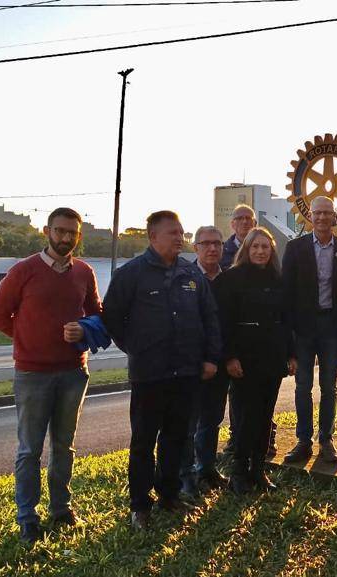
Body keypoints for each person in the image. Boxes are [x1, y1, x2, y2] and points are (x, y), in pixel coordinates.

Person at [0, 207, 102, 544]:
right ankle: (27, 518)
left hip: (73, 372)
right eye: (60, 231)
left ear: (78, 236)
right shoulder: (24, 270)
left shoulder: (84, 271)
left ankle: (61, 509)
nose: (66, 237)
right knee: (29, 450)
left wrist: (83, 329)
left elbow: (97, 315)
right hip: (32, 374)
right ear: (47, 231)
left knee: (65, 447)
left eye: (72, 232)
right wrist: (28, 338)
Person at [102, 210, 222, 530]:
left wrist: (211, 357)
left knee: (176, 437)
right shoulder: (132, 274)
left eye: (182, 233)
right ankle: (140, 506)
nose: (179, 238)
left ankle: (169, 495)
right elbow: (112, 317)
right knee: (143, 441)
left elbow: (209, 317)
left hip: (186, 373)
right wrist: (137, 347)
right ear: (153, 237)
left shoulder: (190, 274)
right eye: (173, 233)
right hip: (149, 375)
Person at [215, 227, 297, 494]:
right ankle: (239, 472)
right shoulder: (232, 278)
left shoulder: (279, 278)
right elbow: (223, 323)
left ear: (272, 250)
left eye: (265, 247)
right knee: (244, 418)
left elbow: (287, 321)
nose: (261, 251)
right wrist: (229, 357)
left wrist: (291, 354)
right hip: (243, 359)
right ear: (246, 250)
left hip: (272, 358)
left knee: (265, 418)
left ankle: (258, 471)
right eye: (255, 247)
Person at [282, 196, 337, 464]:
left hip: (331, 327)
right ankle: (303, 440)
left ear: (334, 216)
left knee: (330, 386)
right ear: (309, 217)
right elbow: (286, 293)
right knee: (303, 386)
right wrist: (289, 334)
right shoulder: (295, 249)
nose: (322, 218)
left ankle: (326, 440)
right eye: (318, 213)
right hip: (303, 328)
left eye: (327, 213)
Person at [179, 226, 231, 498]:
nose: (212, 248)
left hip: (220, 364)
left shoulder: (229, 280)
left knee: (212, 418)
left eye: (217, 243)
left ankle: (207, 468)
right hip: (190, 365)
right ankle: (185, 476)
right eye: (206, 243)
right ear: (195, 247)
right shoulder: (183, 277)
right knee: (188, 422)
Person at [221, 204, 257, 270]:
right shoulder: (222, 252)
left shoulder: (263, 249)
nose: (244, 222)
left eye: (248, 218)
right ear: (232, 224)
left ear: (254, 223)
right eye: (239, 218)